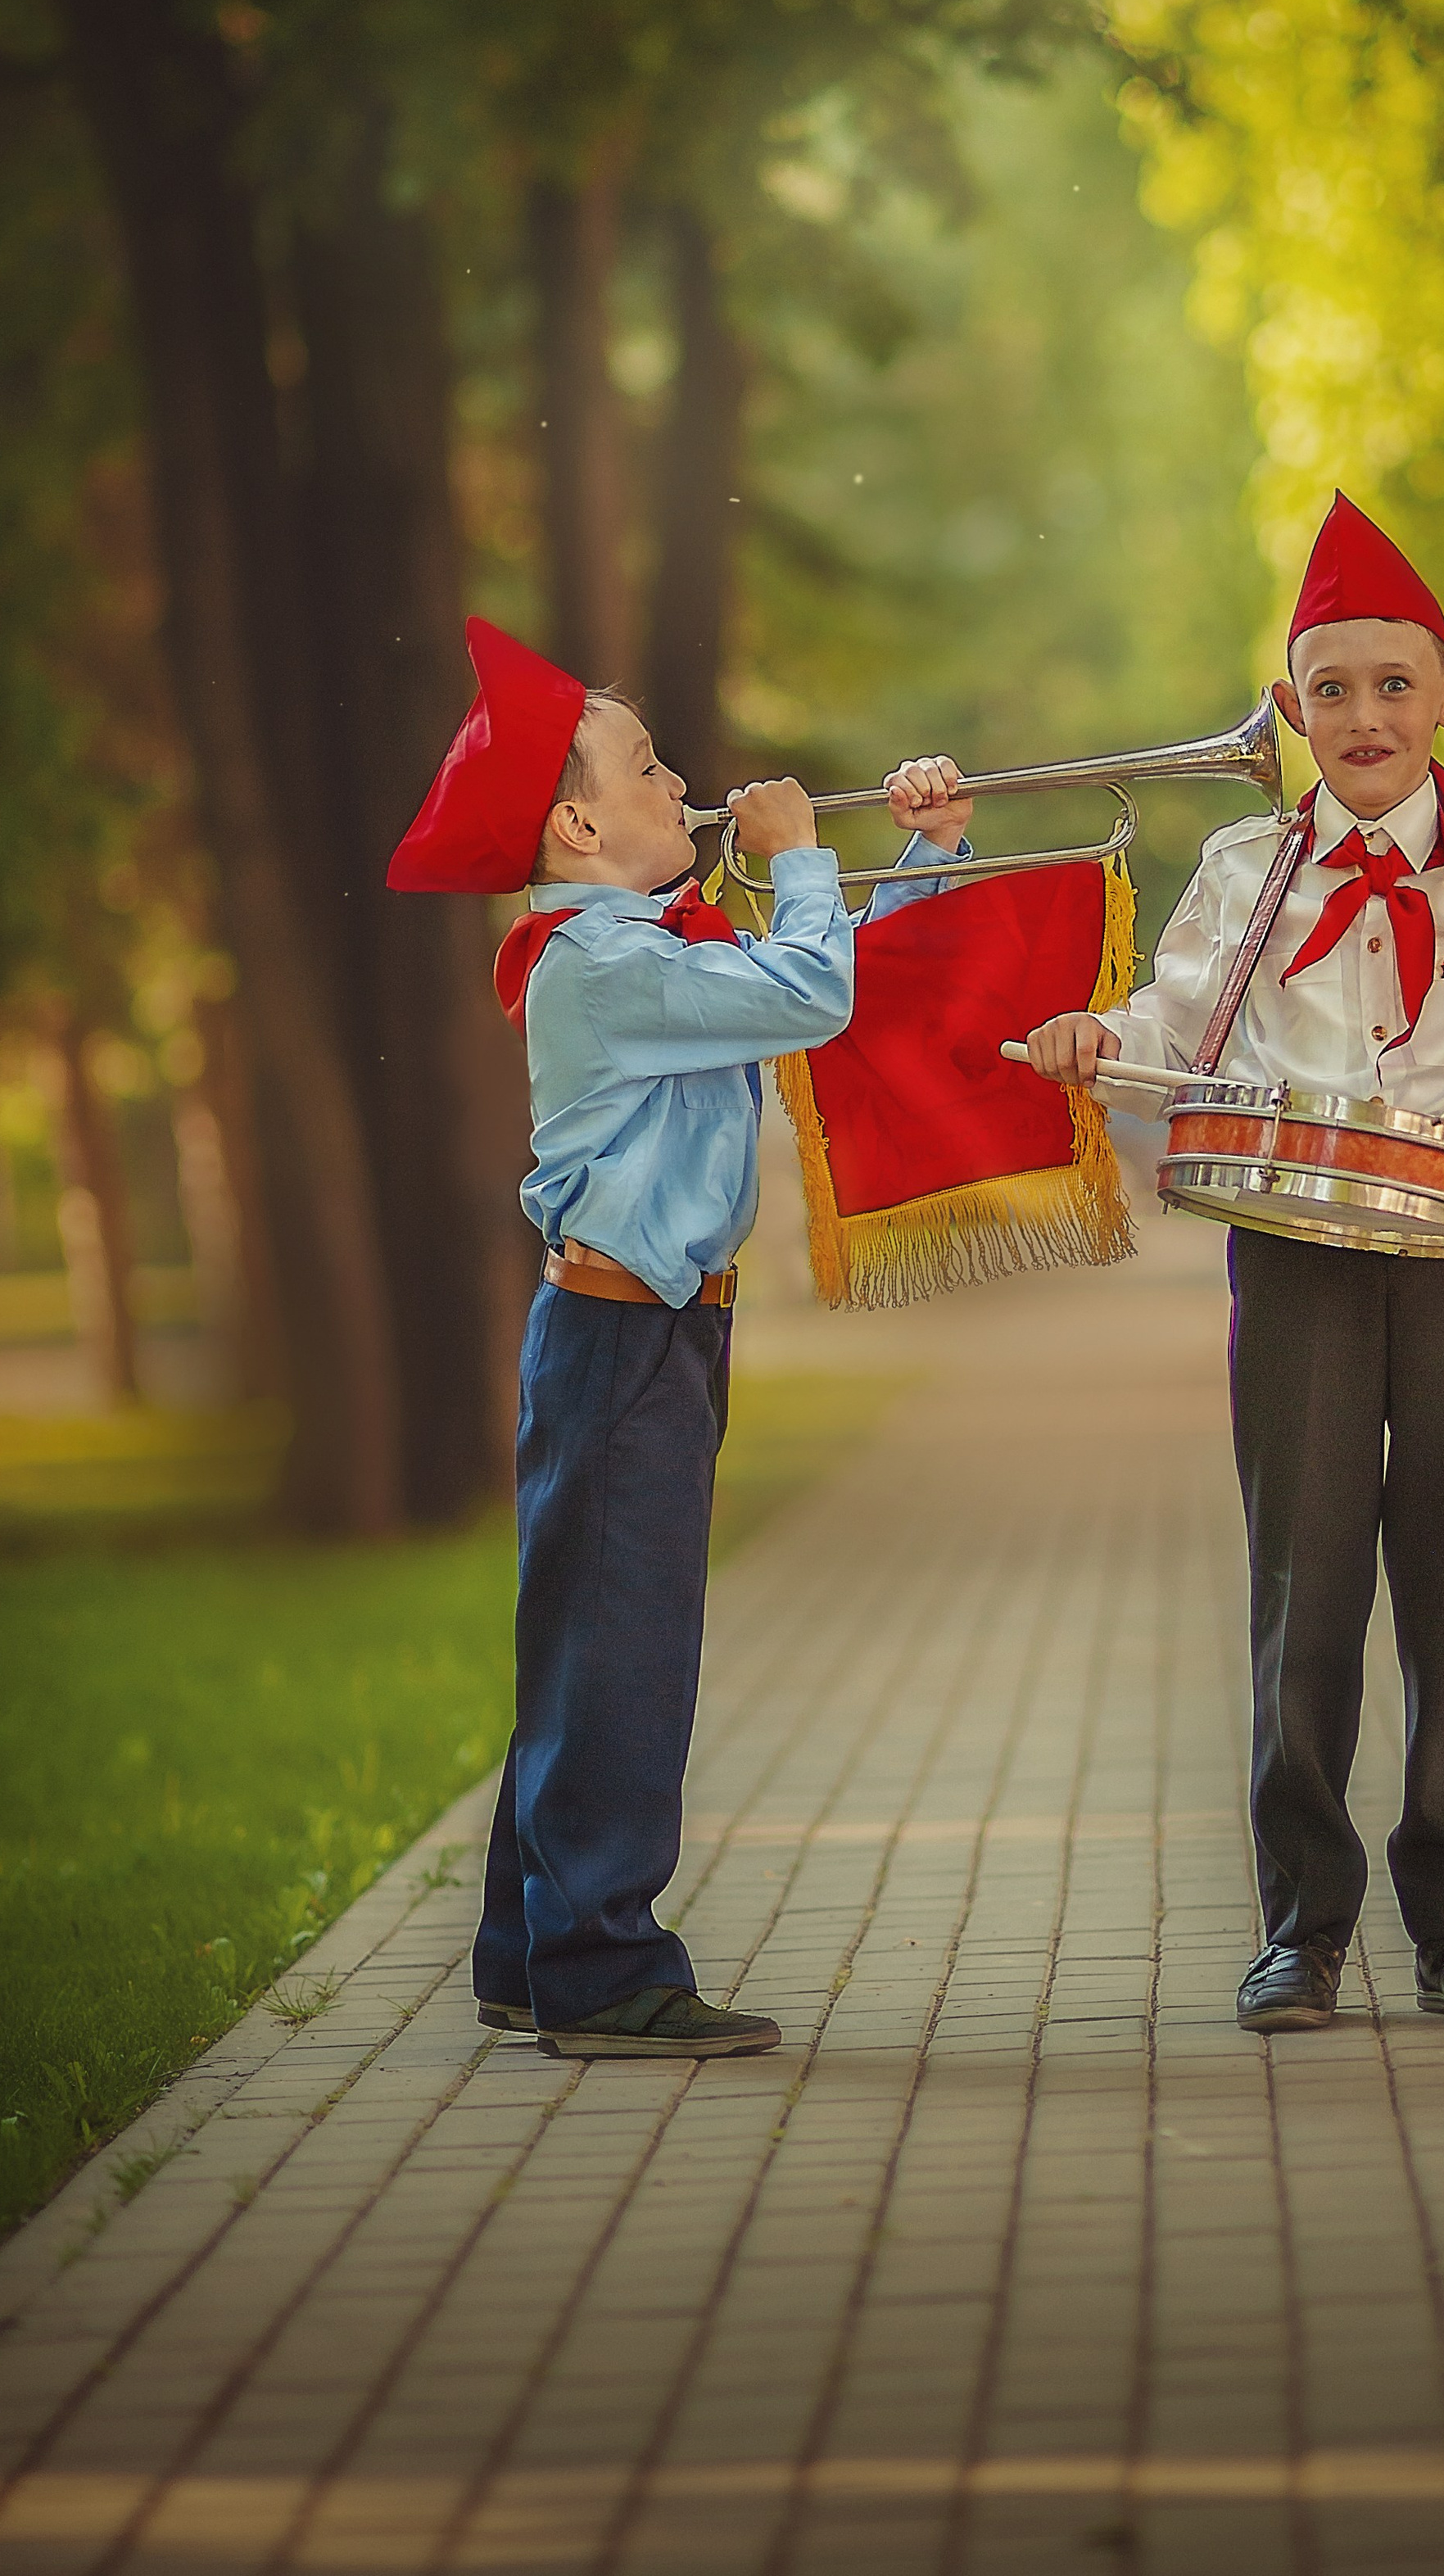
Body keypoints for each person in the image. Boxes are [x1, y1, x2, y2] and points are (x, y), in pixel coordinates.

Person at [1024, 495, 1444, 2033]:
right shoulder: (1247, 864)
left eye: (1396, 685)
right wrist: (1090, 1036)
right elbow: (1171, 1020)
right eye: (1332, 689)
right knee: (1303, 1575)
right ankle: (1303, 1925)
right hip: (1299, 1244)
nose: (1366, 717)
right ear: (1291, 708)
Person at [388, 618, 971, 2059]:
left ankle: (532, 1949)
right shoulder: (595, 963)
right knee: (623, 1657)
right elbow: (807, 988)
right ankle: (604, 1969)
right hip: (620, 1336)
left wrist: (926, 857)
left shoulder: (655, 950)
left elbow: (826, 996)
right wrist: (798, 857)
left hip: (652, 1334)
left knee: (590, 1650)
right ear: (580, 820)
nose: (683, 786)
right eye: (648, 769)